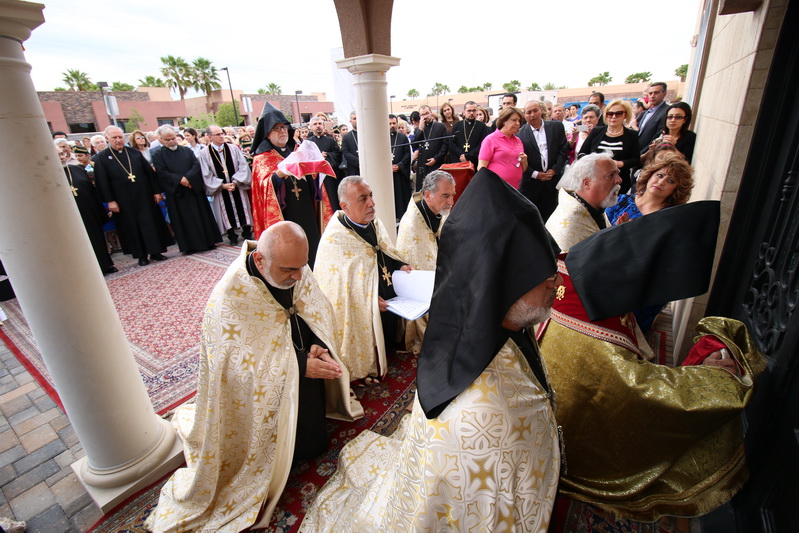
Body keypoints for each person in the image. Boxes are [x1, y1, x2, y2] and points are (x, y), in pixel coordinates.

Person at [302, 167, 563, 532]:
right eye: (545, 275)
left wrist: (395, 266)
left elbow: (383, 254)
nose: (556, 284)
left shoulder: (505, 326)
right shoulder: (482, 411)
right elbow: (339, 279)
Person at [537, 202, 767, 521]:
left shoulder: (577, 279)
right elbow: (644, 393)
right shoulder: (595, 340)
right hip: (573, 455)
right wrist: (711, 379)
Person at [145, 222, 363, 533]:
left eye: (303, 266)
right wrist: (299, 366)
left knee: (313, 444)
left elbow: (315, 310)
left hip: (304, 380)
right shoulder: (229, 298)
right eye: (290, 269)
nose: (300, 276)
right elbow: (238, 365)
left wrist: (318, 344)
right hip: (262, 398)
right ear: (261, 261)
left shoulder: (294, 264)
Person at [314, 176, 410, 382]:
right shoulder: (335, 239)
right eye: (363, 198)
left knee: (391, 344)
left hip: (392, 304)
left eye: (371, 196)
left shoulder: (374, 223)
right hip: (368, 312)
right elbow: (338, 290)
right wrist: (368, 301)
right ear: (344, 206)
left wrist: (399, 264)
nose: (372, 203)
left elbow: (384, 252)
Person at [604, 157, 695, 331]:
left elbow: (663, 260)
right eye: (659, 175)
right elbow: (596, 233)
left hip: (639, 288)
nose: (661, 182)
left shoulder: (671, 220)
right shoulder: (620, 201)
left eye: (670, 181)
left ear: (676, 189)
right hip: (607, 276)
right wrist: (615, 233)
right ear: (649, 175)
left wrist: (627, 237)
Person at [251, 103, 333, 267]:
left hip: (307, 209)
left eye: (283, 127)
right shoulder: (262, 158)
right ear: (267, 133)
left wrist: (313, 167)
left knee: (313, 248)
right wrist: (279, 174)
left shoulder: (297, 151)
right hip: (286, 213)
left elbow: (314, 180)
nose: (282, 131)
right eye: (276, 128)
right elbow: (263, 188)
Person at [93, 126, 172, 266]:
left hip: (144, 196)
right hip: (122, 200)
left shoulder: (134, 152)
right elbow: (102, 182)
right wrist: (110, 201)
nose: (118, 140)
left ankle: (155, 251)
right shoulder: (102, 158)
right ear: (107, 139)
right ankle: (141, 255)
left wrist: (156, 191)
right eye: (114, 138)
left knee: (150, 224)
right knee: (132, 227)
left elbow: (149, 173)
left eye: (120, 137)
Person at [395, 170, 455, 355]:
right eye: (445, 196)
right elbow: (423, 282)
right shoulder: (413, 226)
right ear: (428, 195)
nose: (451, 202)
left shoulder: (437, 209)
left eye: (452, 195)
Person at [152, 125, 221, 254]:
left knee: (201, 216)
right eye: (168, 140)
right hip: (177, 192)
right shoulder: (158, 155)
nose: (172, 141)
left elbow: (196, 165)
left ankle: (209, 241)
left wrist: (189, 179)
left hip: (193, 189)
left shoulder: (186, 150)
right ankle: (189, 246)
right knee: (184, 220)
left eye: (173, 138)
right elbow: (161, 172)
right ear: (161, 139)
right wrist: (180, 180)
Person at [546, 152, 621, 252]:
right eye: (611, 175)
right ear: (587, 183)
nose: (619, 180)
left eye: (618, 174)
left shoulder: (593, 208)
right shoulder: (569, 224)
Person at [58, 146, 116, 275]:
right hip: (68, 217)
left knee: (97, 239)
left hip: (89, 212)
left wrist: (101, 211)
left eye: (63, 154)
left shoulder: (77, 169)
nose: (62, 157)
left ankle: (106, 264)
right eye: (58, 155)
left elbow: (93, 192)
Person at [199, 124, 253, 246]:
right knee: (225, 212)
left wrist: (235, 181)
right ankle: (231, 235)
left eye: (222, 133)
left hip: (237, 186)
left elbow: (243, 166)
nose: (221, 136)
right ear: (209, 137)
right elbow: (205, 173)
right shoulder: (204, 153)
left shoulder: (233, 149)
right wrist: (222, 185)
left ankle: (246, 232)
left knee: (243, 208)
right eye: (217, 134)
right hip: (220, 188)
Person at [518, 100, 569, 221]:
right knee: (533, 219)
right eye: (528, 112)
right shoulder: (520, 134)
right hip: (531, 184)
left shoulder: (556, 127)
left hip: (553, 182)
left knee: (551, 218)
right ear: (524, 115)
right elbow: (519, 159)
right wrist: (535, 174)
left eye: (535, 110)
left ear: (541, 110)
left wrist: (555, 169)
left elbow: (563, 149)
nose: (532, 115)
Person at [578, 99, 640, 193]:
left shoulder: (632, 135)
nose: (613, 117)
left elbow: (636, 159)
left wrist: (620, 163)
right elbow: (582, 154)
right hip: (595, 181)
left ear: (625, 115)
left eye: (618, 113)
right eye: (610, 114)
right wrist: (594, 162)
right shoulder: (596, 132)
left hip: (620, 183)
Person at [477, 106, 527, 188]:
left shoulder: (518, 140)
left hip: (515, 188)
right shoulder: (490, 139)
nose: (517, 123)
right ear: (504, 121)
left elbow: (522, 169)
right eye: (514, 120)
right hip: (496, 188)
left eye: (519, 121)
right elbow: (481, 168)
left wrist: (524, 161)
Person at [306, 115, 343, 210]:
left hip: (329, 177)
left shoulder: (331, 141)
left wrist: (327, 156)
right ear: (310, 127)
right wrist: (318, 157)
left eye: (320, 124)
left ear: (323, 125)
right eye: (315, 124)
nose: (318, 126)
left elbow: (338, 155)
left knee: (332, 199)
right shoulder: (307, 143)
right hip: (315, 177)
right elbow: (305, 158)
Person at [412, 105, 448, 191]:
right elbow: (414, 145)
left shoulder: (440, 126)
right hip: (422, 164)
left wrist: (436, 158)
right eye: (422, 115)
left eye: (427, 113)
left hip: (436, 163)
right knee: (423, 190)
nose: (425, 116)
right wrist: (420, 129)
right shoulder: (418, 129)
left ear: (431, 113)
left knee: (437, 189)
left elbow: (445, 145)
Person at [448, 100, 488, 168]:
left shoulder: (482, 126)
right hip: (459, 161)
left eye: (474, 110)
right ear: (464, 112)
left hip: (475, 161)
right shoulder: (457, 125)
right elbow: (451, 143)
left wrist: (468, 156)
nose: (471, 113)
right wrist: (461, 155)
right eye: (469, 110)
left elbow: (483, 144)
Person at [389, 114, 412, 220]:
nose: (392, 126)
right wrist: (387, 167)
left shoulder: (402, 138)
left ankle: (403, 217)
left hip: (400, 173)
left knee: (401, 197)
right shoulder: (382, 138)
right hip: (387, 175)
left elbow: (407, 155)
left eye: (394, 123)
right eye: (390, 124)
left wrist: (399, 165)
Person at [637, 82, 670, 153]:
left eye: (656, 93)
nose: (652, 96)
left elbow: (657, 137)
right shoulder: (647, 111)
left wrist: (642, 154)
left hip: (648, 154)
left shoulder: (667, 112)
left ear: (664, 94)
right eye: (650, 93)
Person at [340, 112, 360, 176]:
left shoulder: (368, 134)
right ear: (350, 121)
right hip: (354, 168)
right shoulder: (347, 137)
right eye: (355, 118)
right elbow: (345, 152)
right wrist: (358, 162)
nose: (357, 120)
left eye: (358, 118)